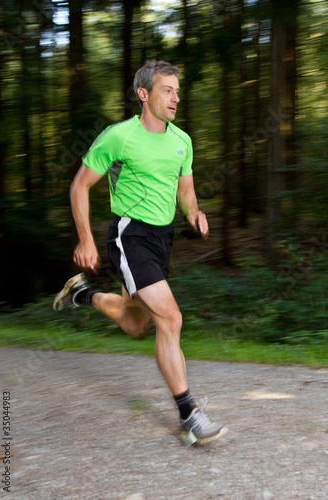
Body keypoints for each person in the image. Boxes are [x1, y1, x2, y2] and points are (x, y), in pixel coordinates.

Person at [53, 60, 228, 446]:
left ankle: (82, 294)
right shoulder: (119, 137)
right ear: (144, 94)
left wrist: (194, 212)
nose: (176, 97)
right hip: (129, 235)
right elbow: (80, 185)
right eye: (168, 90)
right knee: (171, 318)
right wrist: (84, 239)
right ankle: (189, 414)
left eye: (178, 91)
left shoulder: (182, 140)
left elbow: (185, 189)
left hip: (162, 240)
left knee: (136, 325)